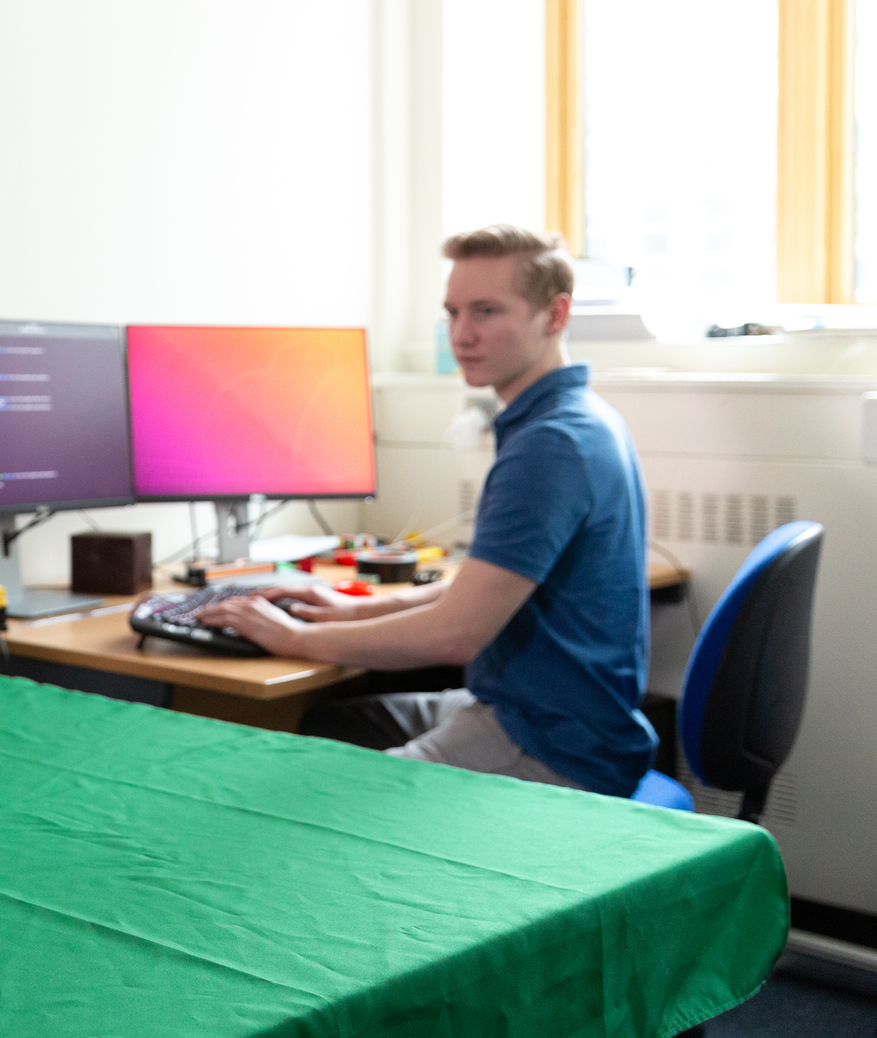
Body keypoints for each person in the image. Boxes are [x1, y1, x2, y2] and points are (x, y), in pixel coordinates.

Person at [199, 224, 656, 797]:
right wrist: (348, 612)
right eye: (454, 312)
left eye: (487, 311)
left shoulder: (552, 444)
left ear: (555, 315)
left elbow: (455, 635)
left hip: (550, 744)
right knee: (329, 723)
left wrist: (294, 638)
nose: (462, 334)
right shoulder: (572, 418)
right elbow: (483, 589)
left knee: (330, 801)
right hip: (524, 706)